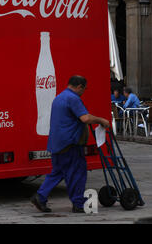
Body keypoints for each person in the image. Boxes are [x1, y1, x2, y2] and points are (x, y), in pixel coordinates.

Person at [30, 75, 110, 213]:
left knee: (58, 172)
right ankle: (78, 203)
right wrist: (101, 120)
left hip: (56, 143)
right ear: (79, 87)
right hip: (70, 143)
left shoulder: (59, 97)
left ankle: (40, 196)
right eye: (84, 89)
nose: (83, 92)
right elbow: (85, 118)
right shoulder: (73, 98)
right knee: (77, 172)